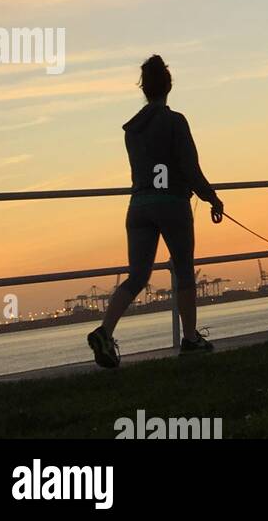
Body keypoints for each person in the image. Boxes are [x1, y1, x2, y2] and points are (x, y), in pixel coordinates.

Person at [87, 56, 223, 368]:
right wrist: (212, 198)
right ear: (169, 85)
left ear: (144, 89)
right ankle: (190, 339)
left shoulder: (131, 131)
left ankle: (105, 330)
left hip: (138, 206)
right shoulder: (175, 122)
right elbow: (190, 169)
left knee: (137, 275)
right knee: (185, 271)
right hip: (171, 203)